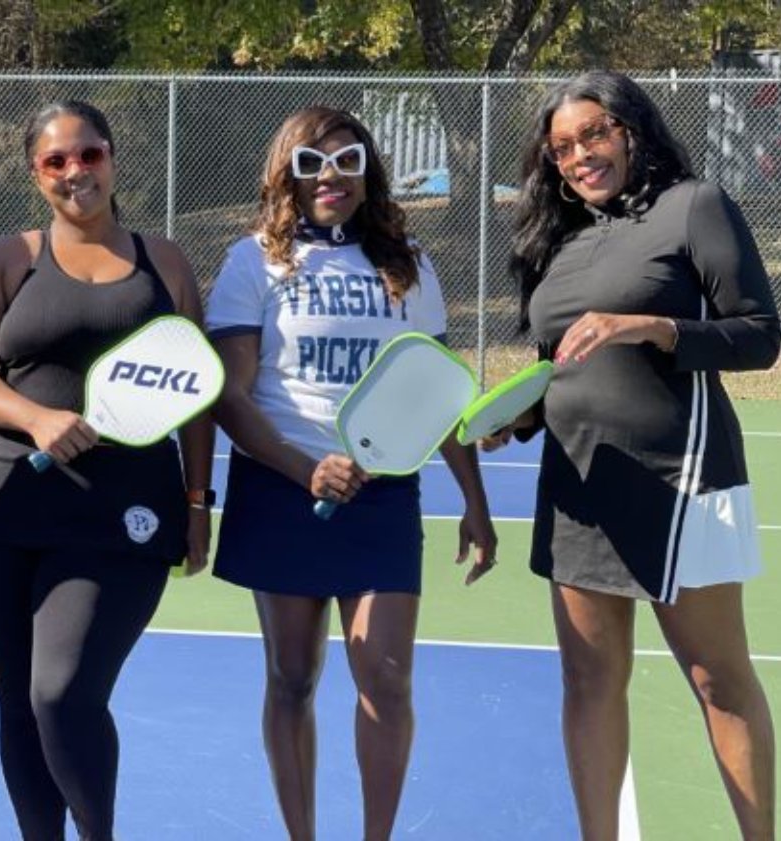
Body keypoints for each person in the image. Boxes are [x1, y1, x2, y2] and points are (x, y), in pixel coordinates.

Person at [490, 70, 780, 840]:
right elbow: (558, 365)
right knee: (587, 680)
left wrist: (652, 327)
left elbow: (759, 335)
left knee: (718, 680)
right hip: (579, 490)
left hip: (682, 482)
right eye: (561, 148)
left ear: (631, 130)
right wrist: (509, 418)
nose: (579, 156)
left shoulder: (696, 207)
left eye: (594, 135)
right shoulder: (556, 239)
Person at [205, 105, 497, 841]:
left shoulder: (409, 265)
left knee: (387, 679)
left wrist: (475, 499)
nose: (329, 176)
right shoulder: (253, 263)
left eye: (345, 160)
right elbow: (231, 398)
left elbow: (438, 390)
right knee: (293, 678)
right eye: (310, 163)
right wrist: (305, 470)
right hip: (281, 487)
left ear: (369, 172)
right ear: (287, 176)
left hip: (382, 492)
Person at [0, 100, 214, 841]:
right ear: (36, 174)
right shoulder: (11, 257)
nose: (75, 172)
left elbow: (197, 391)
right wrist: (34, 418)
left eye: (88, 154)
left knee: (61, 692)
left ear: (113, 158)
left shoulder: (166, 261)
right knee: (17, 702)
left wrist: (197, 501)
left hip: (122, 516)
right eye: (55, 161)